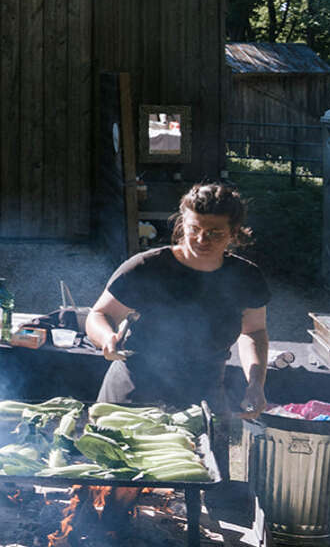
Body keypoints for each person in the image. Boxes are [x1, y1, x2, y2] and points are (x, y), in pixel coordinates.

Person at [84, 183, 270, 477]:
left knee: (205, 483)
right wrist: (107, 338)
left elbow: (254, 333)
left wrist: (255, 383)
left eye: (215, 233)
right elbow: (99, 314)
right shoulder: (147, 267)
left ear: (234, 232)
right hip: (134, 392)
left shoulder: (246, 277)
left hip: (204, 392)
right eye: (194, 228)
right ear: (183, 222)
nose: (201, 239)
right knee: (118, 482)